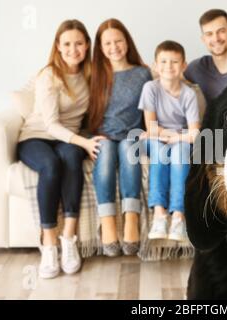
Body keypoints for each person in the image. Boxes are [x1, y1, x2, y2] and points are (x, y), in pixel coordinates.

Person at [17, 20, 104, 279]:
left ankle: (69, 238)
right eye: (67, 44)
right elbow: (51, 125)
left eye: (79, 43)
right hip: (36, 137)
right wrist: (85, 143)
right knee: (51, 165)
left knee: (70, 159)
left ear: (87, 45)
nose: (73, 49)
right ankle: (49, 242)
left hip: (69, 140)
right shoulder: (49, 75)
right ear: (58, 46)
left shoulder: (90, 74)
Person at [89, 19, 152, 256]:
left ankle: (131, 219)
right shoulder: (94, 73)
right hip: (102, 135)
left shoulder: (142, 72)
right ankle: (107, 222)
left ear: (127, 42)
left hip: (132, 135)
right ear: (100, 47)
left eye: (118, 41)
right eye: (107, 43)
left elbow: (151, 107)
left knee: (128, 151)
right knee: (104, 156)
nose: (114, 47)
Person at [138, 40, 200, 242]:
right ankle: (159, 214)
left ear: (183, 65)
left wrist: (173, 137)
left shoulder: (189, 94)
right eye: (163, 62)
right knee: (158, 150)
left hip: (178, 141)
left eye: (174, 62)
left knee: (180, 151)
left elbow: (194, 134)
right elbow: (151, 127)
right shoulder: (151, 88)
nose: (168, 67)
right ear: (155, 65)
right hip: (155, 140)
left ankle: (178, 216)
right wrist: (166, 134)